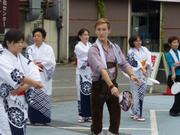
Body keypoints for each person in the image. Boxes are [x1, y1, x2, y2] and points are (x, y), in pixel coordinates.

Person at [88, 18, 140, 135]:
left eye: (104, 29)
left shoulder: (115, 47)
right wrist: (111, 86)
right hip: (99, 86)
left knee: (116, 117)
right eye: (98, 30)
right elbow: (102, 69)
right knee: (97, 121)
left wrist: (132, 74)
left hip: (113, 85)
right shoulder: (93, 50)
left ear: (109, 31)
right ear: (95, 32)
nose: (101, 32)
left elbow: (124, 63)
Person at [0, 29, 43, 135]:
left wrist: (27, 85)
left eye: (21, 42)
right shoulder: (2, 58)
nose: (20, 45)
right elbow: (16, 75)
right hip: (7, 101)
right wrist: (33, 83)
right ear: (8, 43)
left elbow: (32, 69)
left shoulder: (21, 58)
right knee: (8, 130)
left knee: (20, 128)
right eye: (17, 42)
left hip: (21, 99)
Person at [26, 27, 56, 124]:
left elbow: (51, 62)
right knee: (33, 96)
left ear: (43, 38)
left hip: (44, 75)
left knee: (44, 95)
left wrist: (40, 64)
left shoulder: (48, 48)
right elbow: (28, 60)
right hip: (33, 76)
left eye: (38, 36)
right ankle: (33, 119)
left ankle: (44, 119)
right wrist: (34, 64)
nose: (36, 37)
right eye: (34, 36)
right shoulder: (30, 48)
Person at [127, 35, 152, 121]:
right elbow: (133, 63)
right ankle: (137, 114)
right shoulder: (130, 52)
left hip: (144, 75)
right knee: (135, 94)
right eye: (136, 41)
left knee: (141, 94)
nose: (139, 42)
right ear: (132, 42)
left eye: (140, 40)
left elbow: (149, 59)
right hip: (135, 75)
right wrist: (142, 68)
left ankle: (133, 111)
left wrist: (144, 67)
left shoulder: (144, 49)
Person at [74, 28, 92, 123]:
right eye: (84, 35)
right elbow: (87, 55)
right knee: (81, 94)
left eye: (87, 34)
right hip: (81, 73)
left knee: (90, 93)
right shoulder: (78, 46)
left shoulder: (91, 45)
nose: (86, 36)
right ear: (80, 36)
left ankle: (89, 114)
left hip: (90, 73)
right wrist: (92, 56)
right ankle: (81, 114)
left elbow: (93, 55)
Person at [165, 36, 180, 116]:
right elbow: (172, 65)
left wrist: (177, 64)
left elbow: (176, 64)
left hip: (179, 76)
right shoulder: (168, 54)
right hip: (174, 77)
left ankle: (176, 110)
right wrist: (174, 73)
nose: (176, 44)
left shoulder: (179, 52)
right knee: (178, 94)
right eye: (174, 42)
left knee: (179, 95)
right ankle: (173, 111)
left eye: (177, 42)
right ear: (170, 44)